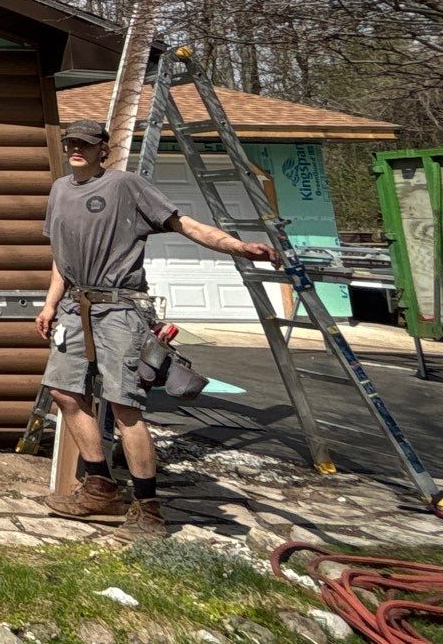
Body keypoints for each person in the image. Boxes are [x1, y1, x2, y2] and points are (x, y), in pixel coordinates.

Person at [36, 118, 277, 537]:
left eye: (86, 144)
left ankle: (149, 509)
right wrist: (50, 303)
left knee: (124, 404)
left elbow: (185, 224)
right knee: (64, 393)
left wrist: (238, 247)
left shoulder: (124, 186)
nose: (77, 149)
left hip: (120, 310)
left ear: (101, 151)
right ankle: (100, 486)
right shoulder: (59, 190)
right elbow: (61, 255)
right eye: (71, 142)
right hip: (76, 308)